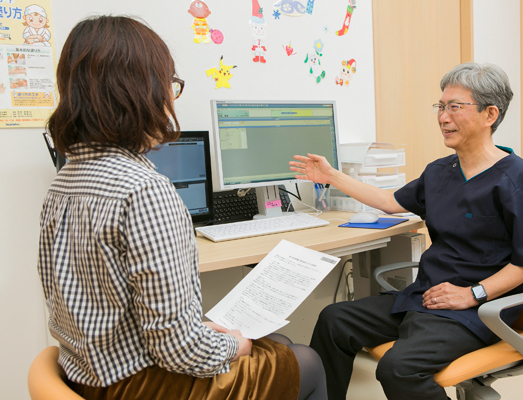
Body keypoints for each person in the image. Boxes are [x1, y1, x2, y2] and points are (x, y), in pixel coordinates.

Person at [38, 15, 326, 400]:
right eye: (169, 84)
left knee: (278, 342)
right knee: (305, 360)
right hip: (140, 386)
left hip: (84, 376)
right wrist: (233, 346)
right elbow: (177, 349)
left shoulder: (64, 181)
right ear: (139, 91)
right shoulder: (144, 190)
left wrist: (217, 337)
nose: (171, 98)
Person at [289, 62, 523, 400]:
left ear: (490, 114)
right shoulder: (440, 171)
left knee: (398, 368)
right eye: (441, 107)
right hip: (426, 298)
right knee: (334, 320)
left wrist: (471, 294)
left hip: (478, 311)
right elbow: (390, 202)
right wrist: (333, 177)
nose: (443, 117)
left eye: (455, 107)